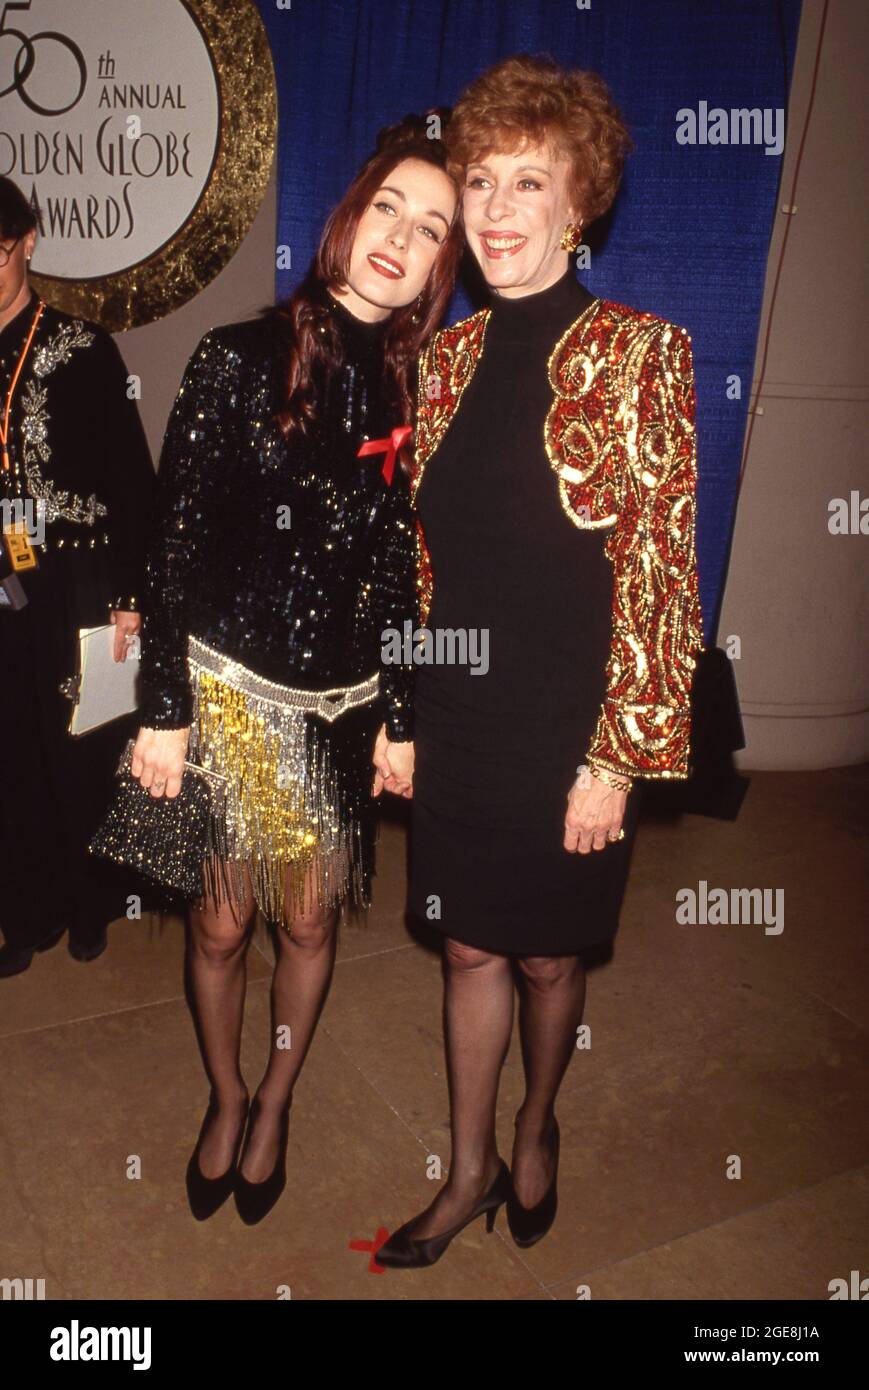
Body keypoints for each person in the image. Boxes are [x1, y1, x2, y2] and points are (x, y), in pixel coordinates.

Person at [375, 57, 705, 1268]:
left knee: (550, 952)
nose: (496, 207)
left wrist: (615, 759)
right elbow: (418, 567)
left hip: (571, 731)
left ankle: (535, 1123)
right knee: (466, 944)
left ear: (579, 205)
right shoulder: (443, 361)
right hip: (460, 719)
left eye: (528, 181)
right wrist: (402, 712)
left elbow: (662, 578)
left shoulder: (641, 354)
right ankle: (463, 1170)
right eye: (477, 181)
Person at [131, 115, 461, 1224]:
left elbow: (403, 574)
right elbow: (171, 544)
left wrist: (402, 713)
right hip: (228, 698)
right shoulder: (237, 357)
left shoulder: (414, 393)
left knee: (310, 927)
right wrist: (165, 707)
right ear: (349, 214)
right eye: (388, 210)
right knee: (224, 926)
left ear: (436, 268)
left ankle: (277, 1100)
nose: (401, 239)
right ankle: (224, 1095)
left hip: (337, 712)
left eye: (431, 230)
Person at [0, 176, 155, 978]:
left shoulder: (84, 349)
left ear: (27, 241)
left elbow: (132, 480)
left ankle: (92, 900)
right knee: (10, 751)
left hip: (78, 578)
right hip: (1, 584)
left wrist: (132, 599)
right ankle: (23, 909)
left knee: (84, 744)